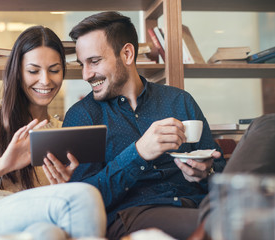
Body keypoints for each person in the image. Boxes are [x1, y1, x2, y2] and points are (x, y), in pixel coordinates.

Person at [63, 11, 226, 240]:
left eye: (94, 61)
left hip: (200, 205)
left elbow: (220, 171)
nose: (86, 74)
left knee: (265, 128)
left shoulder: (179, 101)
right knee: (230, 226)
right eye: (82, 64)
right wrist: (138, 153)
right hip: (137, 214)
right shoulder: (82, 117)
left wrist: (205, 172)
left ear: (127, 54)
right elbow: (82, 199)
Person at [0, 25, 106, 240]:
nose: (45, 80)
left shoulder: (62, 131)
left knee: (50, 234)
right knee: (83, 197)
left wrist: (63, 185)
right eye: (33, 71)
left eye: (54, 70)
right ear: (17, 72)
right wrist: (3, 164)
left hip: (34, 223)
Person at [190, 113, 275, 240]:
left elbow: (218, 166)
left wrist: (208, 171)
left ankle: (220, 219)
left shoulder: (183, 100)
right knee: (268, 123)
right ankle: (220, 220)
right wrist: (147, 153)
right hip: (156, 205)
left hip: (204, 200)